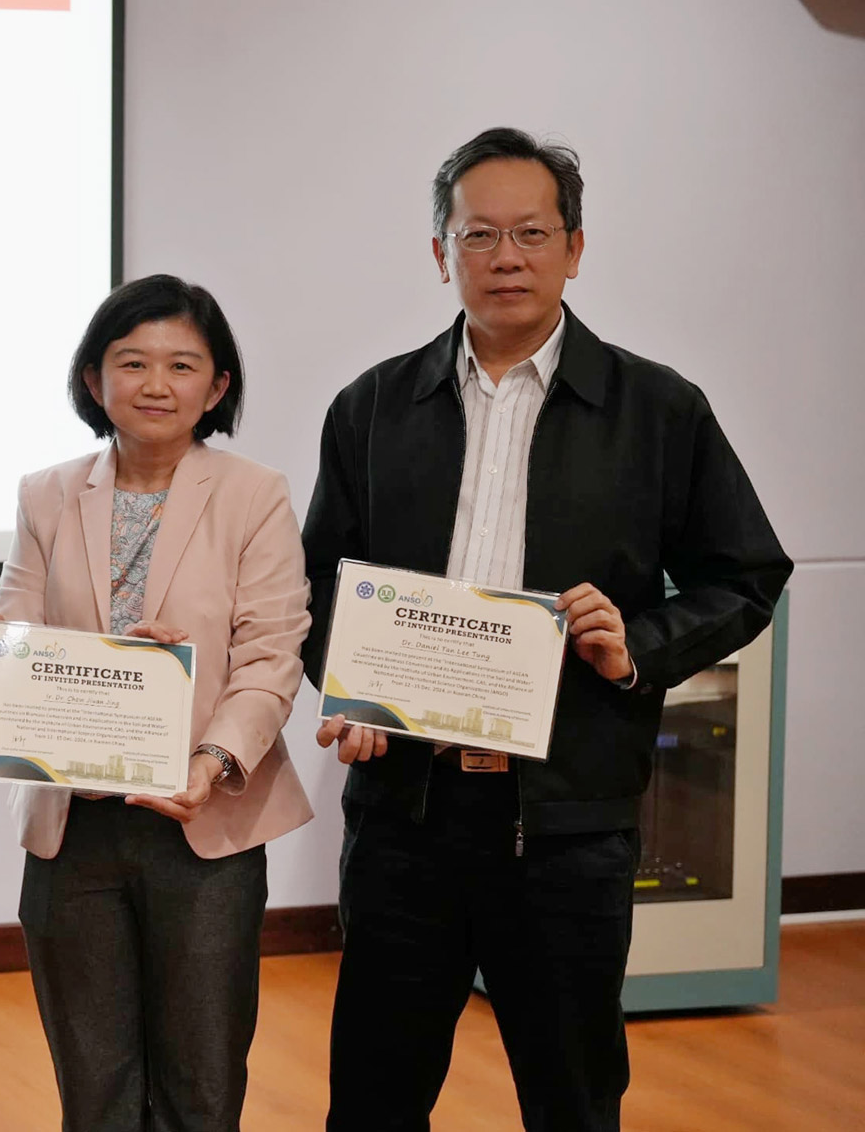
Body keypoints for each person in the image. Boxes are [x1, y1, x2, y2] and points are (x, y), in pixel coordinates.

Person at [302, 128, 793, 1132]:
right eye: (477, 233)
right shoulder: (373, 407)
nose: (505, 256)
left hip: (566, 825)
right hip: (405, 814)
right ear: (439, 251)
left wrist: (635, 646)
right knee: (371, 1097)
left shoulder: (653, 408)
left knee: (570, 1099)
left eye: (530, 231)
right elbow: (319, 586)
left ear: (575, 246)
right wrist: (344, 689)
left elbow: (743, 575)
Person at [0, 273, 314, 1130]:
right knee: (94, 1082)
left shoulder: (254, 493)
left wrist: (209, 758)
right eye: (132, 361)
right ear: (93, 379)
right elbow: (20, 621)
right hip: (72, 822)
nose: (157, 384)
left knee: (202, 1079)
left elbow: (272, 655)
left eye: (183, 364)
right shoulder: (48, 490)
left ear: (217, 386)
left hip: (204, 819)